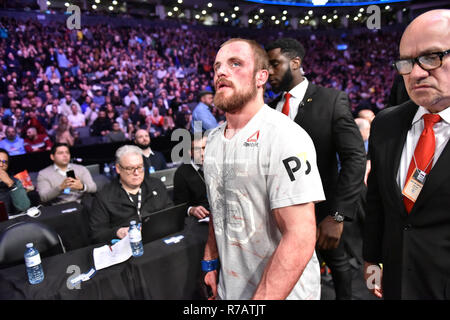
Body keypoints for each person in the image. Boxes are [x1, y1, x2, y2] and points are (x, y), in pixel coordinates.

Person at [202, 38, 325, 300]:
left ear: (261, 77)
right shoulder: (212, 140)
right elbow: (219, 204)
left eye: (235, 64)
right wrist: (210, 260)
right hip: (231, 289)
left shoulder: (286, 137)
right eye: (217, 67)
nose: (221, 72)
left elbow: (300, 236)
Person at [266, 38, 366, 300]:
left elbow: (355, 158)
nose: (269, 72)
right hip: (280, 216)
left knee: (339, 267)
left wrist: (338, 215)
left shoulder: (331, 100)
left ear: (295, 62)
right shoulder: (268, 110)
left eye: (275, 64)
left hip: (325, 214)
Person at [363, 9, 450, 300]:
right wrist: (372, 259)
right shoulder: (386, 123)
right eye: (406, 62)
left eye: (432, 57)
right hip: (397, 284)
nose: (415, 73)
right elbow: (377, 201)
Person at [88, 145, 171, 244]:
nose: (136, 173)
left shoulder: (157, 185)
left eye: (140, 167)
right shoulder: (104, 196)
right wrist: (117, 232)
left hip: (159, 239)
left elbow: (171, 211)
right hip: (127, 246)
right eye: (130, 168)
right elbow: (97, 234)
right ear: (118, 168)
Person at [173, 134, 209, 219]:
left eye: (205, 148)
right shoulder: (182, 173)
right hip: (199, 219)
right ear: (190, 152)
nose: (202, 153)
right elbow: (178, 206)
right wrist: (191, 210)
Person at [0, 148, 31, 215]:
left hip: (10, 220)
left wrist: (11, 184)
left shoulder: (15, 182)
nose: (1, 165)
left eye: (5, 162)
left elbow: (24, 207)